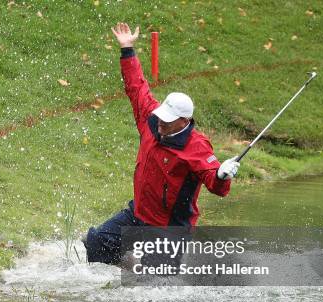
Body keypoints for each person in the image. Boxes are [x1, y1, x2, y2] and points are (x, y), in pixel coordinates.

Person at [84, 22, 240, 265]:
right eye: (161, 117)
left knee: (151, 288)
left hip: (169, 231)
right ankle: (125, 265)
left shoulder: (196, 146)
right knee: (95, 245)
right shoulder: (151, 118)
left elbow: (216, 186)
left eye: (168, 122)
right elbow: (136, 87)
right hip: (137, 215)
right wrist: (127, 50)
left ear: (184, 121)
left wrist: (222, 175)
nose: (161, 124)